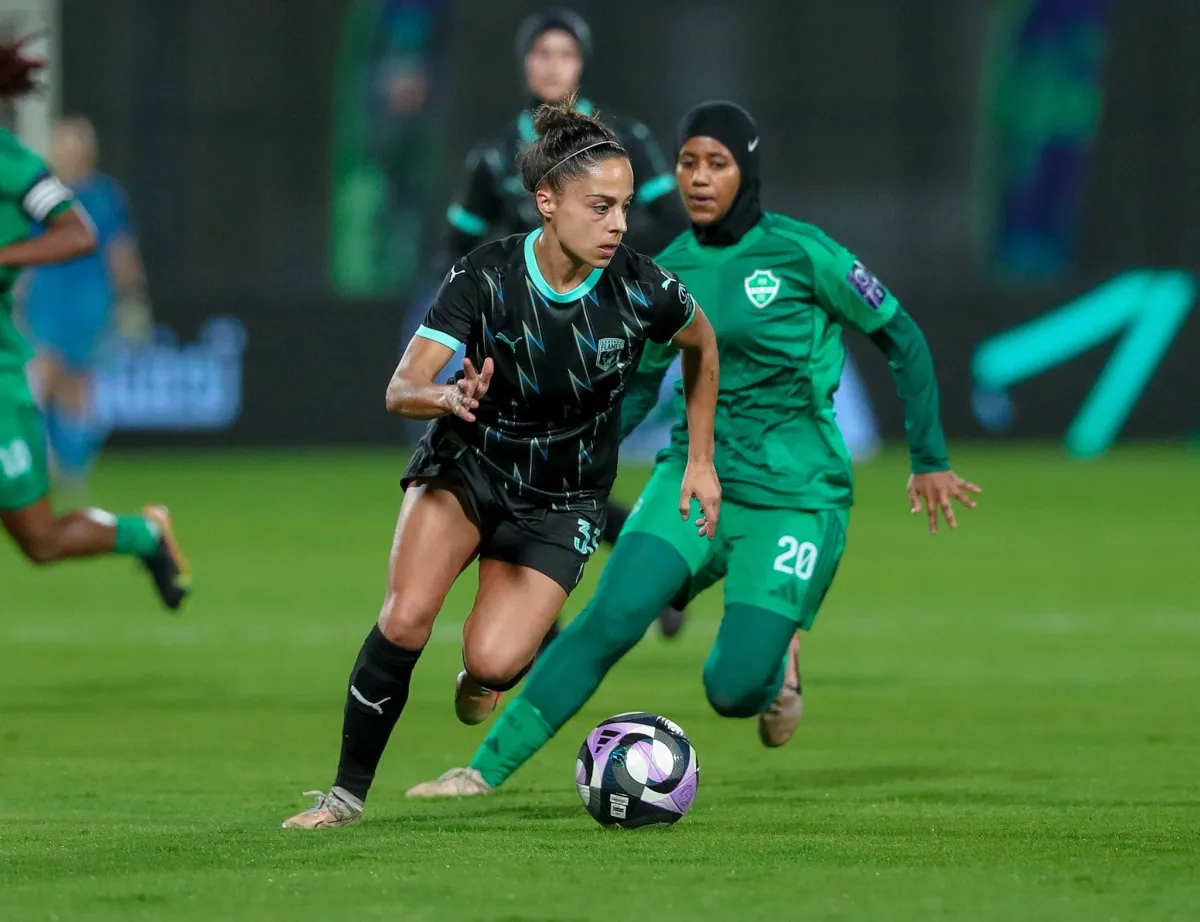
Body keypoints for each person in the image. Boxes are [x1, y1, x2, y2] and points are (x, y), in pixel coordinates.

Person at [405, 101, 981, 799]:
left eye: (718, 163)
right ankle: (481, 771)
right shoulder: (662, 272)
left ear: (748, 170)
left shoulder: (803, 254)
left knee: (732, 690)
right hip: (693, 479)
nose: (699, 178)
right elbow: (637, 388)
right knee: (610, 619)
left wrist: (930, 458)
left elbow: (902, 337)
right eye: (687, 163)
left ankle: (779, 659)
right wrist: (563, 457)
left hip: (795, 497)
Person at [282, 96, 721, 829]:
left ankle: (480, 676)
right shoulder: (486, 275)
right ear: (547, 202)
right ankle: (344, 798)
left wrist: (699, 460)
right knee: (406, 619)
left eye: (623, 207)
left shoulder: (644, 288)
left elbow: (704, 347)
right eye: (600, 207)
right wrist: (446, 396)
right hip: (469, 467)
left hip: (563, 499)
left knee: (494, 665)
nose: (618, 224)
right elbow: (401, 388)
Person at [439, 7, 691, 638]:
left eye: (566, 54)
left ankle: (543, 629)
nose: (554, 66)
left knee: (542, 475)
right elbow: (459, 245)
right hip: (516, 337)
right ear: (525, 64)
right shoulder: (496, 154)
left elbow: (672, 221)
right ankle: (626, 590)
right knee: (536, 476)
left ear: (582, 64)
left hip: (596, 331)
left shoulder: (621, 140)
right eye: (542, 54)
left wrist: (617, 270)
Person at [0, 40, 189, 608]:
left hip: (5, 377)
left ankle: (144, 533)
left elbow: (80, 233)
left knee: (41, 540)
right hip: (42, 319)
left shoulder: (15, 166)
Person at [19, 116, 151, 492]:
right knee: (42, 371)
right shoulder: (38, 196)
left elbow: (120, 252)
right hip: (47, 299)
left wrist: (133, 298)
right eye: (63, 145)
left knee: (76, 384)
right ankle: (42, 463)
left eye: (76, 146)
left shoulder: (105, 197)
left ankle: (73, 466)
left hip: (89, 302)